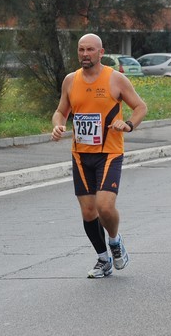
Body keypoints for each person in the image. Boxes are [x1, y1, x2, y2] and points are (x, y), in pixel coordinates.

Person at [51, 33, 147, 278]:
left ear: (101, 52)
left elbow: (140, 107)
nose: (85, 54)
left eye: (90, 50)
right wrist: (58, 125)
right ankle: (102, 258)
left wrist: (128, 125)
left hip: (109, 152)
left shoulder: (115, 79)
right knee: (88, 212)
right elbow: (61, 111)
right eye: (81, 50)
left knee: (104, 207)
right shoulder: (71, 80)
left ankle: (114, 241)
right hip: (81, 154)